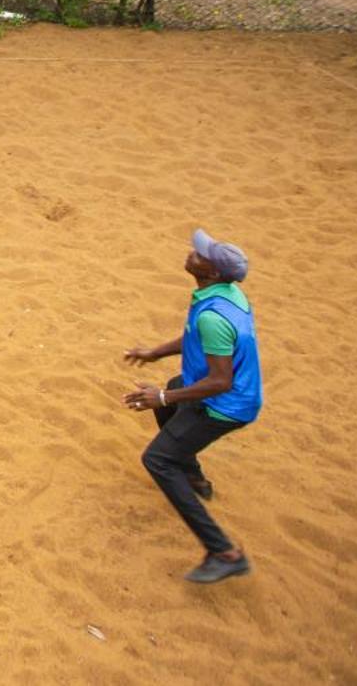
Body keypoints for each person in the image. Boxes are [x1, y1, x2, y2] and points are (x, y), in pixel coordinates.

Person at [121, 227, 263, 584]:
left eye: (201, 255)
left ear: (212, 272)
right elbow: (196, 338)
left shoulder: (213, 316)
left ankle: (224, 552)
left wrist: (164, 398)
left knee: (157, 459)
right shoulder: (225, 294)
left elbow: (220, 381)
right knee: (171, 390)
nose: (192, 253)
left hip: (225, 404)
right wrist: (155, 353)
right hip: (222, 388)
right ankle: (194, 476)